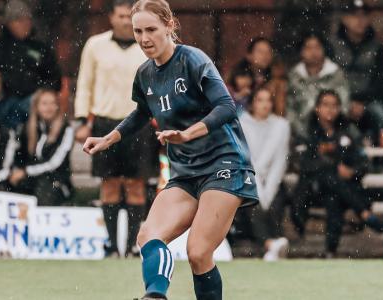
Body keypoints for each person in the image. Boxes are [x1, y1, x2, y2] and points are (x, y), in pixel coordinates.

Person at [82, 1, 258, 299]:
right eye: (138, 31)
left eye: (151, 29)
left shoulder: (193, 60)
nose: (144, 38)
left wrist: (188, 133)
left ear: (169, 26)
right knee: (148, 235)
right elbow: (141, 112)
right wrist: (108, 138)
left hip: (223, 165)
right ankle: (155, 296)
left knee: (198, 252)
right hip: (186, 172)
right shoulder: (145, 73)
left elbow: (226, 106)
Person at [74, 0, 158, 257]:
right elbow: (85, 82)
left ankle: (133, 245)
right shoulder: (95, 45)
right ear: (111, 17)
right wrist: (81, 120)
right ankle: (111, 246)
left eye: (128, 17)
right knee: (109, 184)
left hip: (139, 122)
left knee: (136, 185)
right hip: (105, 121)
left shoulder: (147, 46)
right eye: (121, 16)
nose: (124, 21)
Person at [291, 90, 383, 258]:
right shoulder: (308, 133)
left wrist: (352, 172)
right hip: (313, 190)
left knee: (333, 197)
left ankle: (330, 252)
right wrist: (333, 166)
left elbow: (362, 164)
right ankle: (363, 211)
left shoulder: (348, 132)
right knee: (328, 177)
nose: (330, 109)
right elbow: (303, 165)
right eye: (326, 105)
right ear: (317, 108)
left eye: (334, 105)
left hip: (339, 191)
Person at [237, 88, 290, 261]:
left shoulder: (281, 126)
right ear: (253, 102)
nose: (265, 105)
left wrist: (267, 193)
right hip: (248, 177)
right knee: (252, 204)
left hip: (273, 181)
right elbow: (246, 160)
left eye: (268, 100)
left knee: (275, 204)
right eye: (260, 100)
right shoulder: (241, 123)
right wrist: (259, 190)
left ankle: (272, 246)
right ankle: (271, 244)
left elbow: (280, 162)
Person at [328, 0, 383, 133]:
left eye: (364, 16)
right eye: (354, 16)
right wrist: (346, 101)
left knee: (381, 115)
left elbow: (381, 80)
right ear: (344, 19)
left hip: (369, 100)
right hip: (339, 99)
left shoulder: (377, 47)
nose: (360, 20)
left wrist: (362, 102)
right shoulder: (332, 45)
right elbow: (329, 76)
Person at [0, 0, 62, 100]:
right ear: (8, 23)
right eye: (19, 20)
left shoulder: (41, 49)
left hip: (34, 101)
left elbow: (54, 79)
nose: (25, 24)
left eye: (28, 20)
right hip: (3, 103)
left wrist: (39, 92)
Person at [10, 88, 74, 206]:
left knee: (44, 190)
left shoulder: (66, 129)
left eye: (52, 103)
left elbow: (54, 163)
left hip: (56, 180)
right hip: (31, 179)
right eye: (44, 103)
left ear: (58, 107)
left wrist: (26, 171)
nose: (48, 107)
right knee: (11, 188)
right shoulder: (26, 128)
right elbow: (18, 155)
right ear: (36, 107)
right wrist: (16, 171)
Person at [286, 33, 349, 137]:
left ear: (324, 49)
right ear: (301, 52)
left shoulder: (336, 74)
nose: (313, 52)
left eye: (317, 47)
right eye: (308, 48)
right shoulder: (293, 76)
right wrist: (302, 132)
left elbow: (344, 106)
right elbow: (290, 109)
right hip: (301, 132)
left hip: (332, 131)